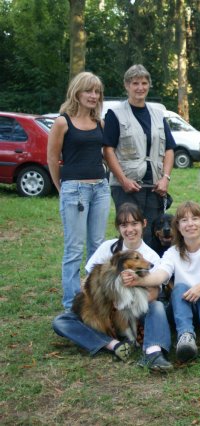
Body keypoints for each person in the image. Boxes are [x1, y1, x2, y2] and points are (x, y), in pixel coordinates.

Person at [52, 203, 173, 372]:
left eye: (134, 224)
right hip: (103, 311)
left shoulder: (151, 256)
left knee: (158, 307)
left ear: (144, 224)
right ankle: (113, 344)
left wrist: (124, 303)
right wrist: (104, 306)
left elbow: (154, 293)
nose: (129, 230)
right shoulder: (107, 247)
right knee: (61, 321)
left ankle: (153, 353)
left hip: (133, 312)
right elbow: (86, 282)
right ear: (118, 227)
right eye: (124, 225)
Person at [123, 201, 200, 362]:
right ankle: (185, 338)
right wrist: (138, 280)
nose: (190, 224)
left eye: (195, 219)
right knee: (179, 287)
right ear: (178, 227)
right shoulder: (172, 253)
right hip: (182, 309)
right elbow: (160, 276)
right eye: (184, 220)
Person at [47, 71, 111, 311]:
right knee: (74, 249)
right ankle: (71, 305)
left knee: (98, 246)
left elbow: (107, 155)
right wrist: (61, 187)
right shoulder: (62, 122)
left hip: (100, 189)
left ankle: (95, 299)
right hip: (74, 190)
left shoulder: (100, 123)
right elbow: (52, 158)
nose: (93, 96)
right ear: (77, 92)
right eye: (88, 91)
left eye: (97, 92)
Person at [103, 64, 176, 246]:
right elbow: (108, 150)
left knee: (153, 237)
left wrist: (165, 178)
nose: (140, 88)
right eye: (135, 83)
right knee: (131, 235)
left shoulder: (158, 114)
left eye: (144, 83)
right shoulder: (115, 114)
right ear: (127, 85)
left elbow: (169, 149)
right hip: (127, 188)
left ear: (149, 85)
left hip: (154, 187)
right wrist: (123, 180)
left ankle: (152, 266)